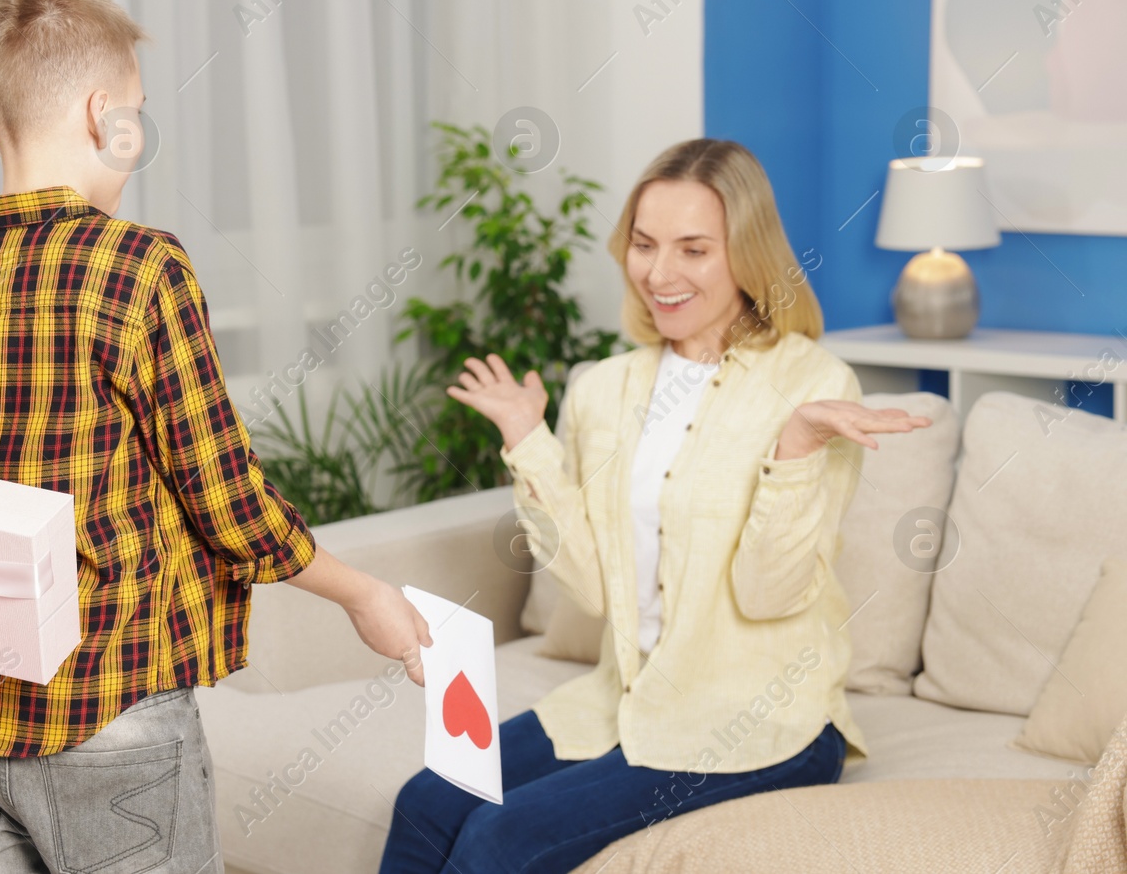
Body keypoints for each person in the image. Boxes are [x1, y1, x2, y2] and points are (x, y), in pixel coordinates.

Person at [0, 0, 430, 874]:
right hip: (113, 720)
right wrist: (365, 593)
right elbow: (227, 501)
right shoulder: (142, 271)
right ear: (108, 115)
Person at [380, 138, 933, 874]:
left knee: (498, 840)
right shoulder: (600, 388)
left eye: (694, 249)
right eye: (644, 244)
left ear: (747, 254)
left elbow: (770, 593)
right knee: (425, 801)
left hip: (760, 719)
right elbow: (590, 586)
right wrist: (526, 439)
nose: (660, 273)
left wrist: (795, 446)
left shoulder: (814, 382)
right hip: (622, 696)